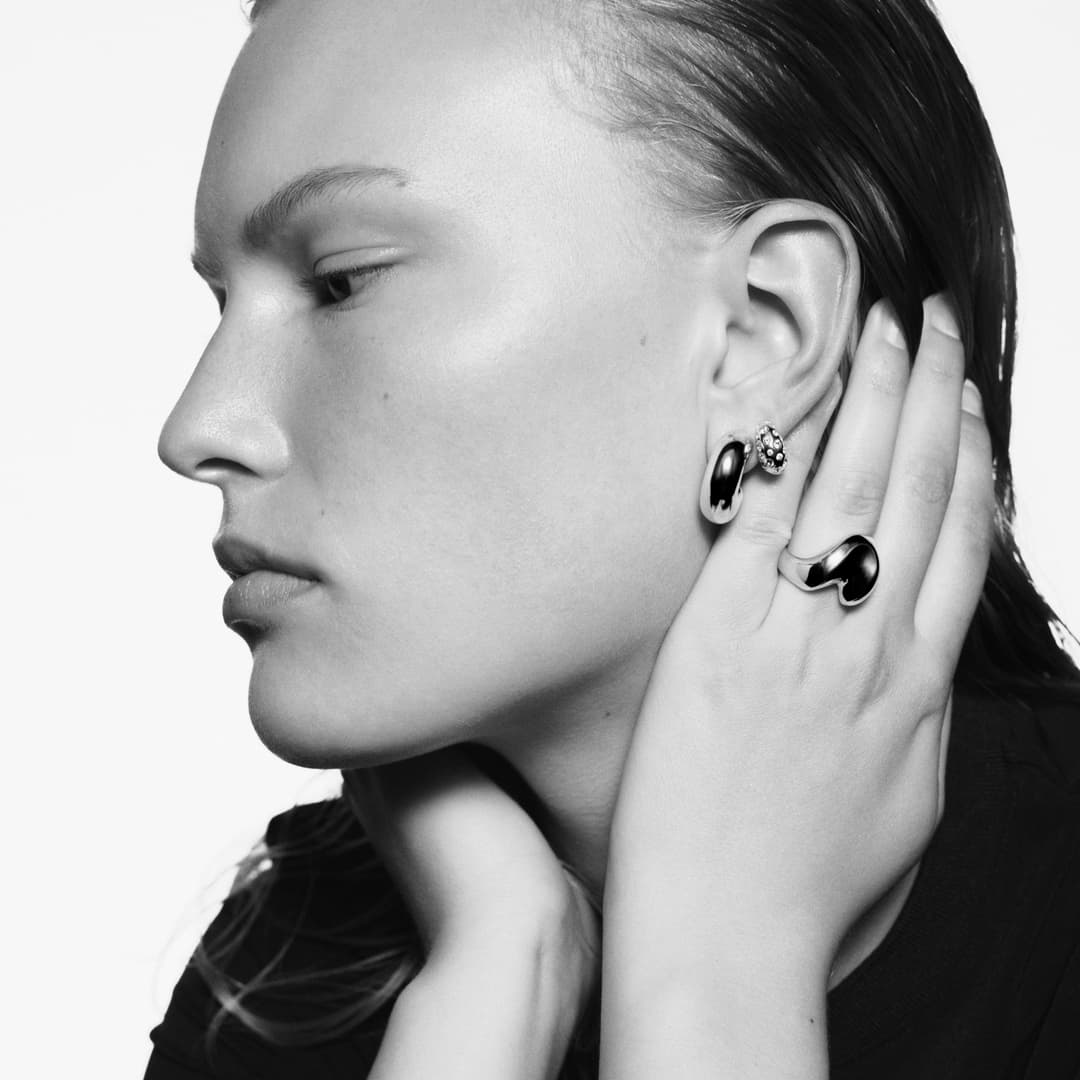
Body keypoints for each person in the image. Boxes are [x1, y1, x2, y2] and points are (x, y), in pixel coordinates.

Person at [144, 0, 1080, 1076]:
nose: (198, 428)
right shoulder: (282, 980)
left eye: (339, 283)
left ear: (760, 332)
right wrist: (494, 985)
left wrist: (717, 966)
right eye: (222, 299)